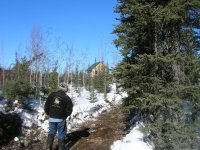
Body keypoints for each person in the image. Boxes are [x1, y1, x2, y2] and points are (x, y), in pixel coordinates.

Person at [44, 82, 73, 150]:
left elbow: (46, 106)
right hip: (61, 119)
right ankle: (61, 148)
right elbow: (69, 110)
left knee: (51, 131)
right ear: (66, 89)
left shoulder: (52, 95)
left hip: (52, 118)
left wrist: (49, 114)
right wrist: (65, 116)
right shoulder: (67, 98)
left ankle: (49, 147)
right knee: (61, 133)